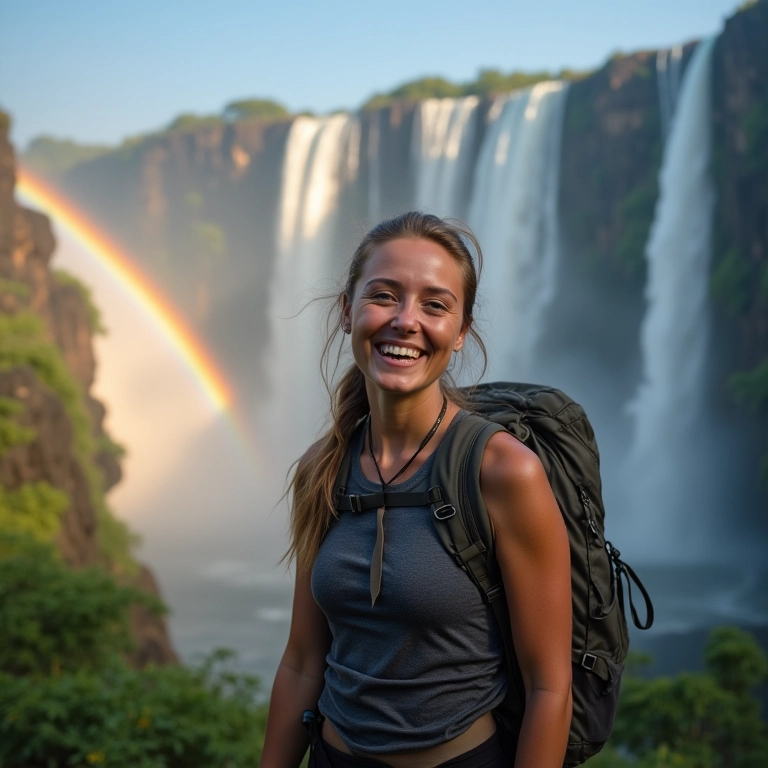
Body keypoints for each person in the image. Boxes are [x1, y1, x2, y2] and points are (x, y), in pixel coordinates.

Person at [260, 212, 572, 768]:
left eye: (435, 304)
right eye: (383, 295)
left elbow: (550, 686)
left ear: (461, 333)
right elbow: (304, 661)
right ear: (346, 311)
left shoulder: (503, 472)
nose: (405, 321)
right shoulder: (323, 470)